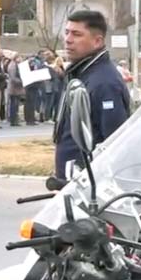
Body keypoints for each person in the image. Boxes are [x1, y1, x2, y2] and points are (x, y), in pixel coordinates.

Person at [53, 10, 131, 181]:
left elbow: (114, 143)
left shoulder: (104, 83)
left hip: (89, 188)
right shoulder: (80, 74)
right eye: (66, 32)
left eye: (77, 34)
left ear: (97, 41)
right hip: (71, 182)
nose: (68, 39)